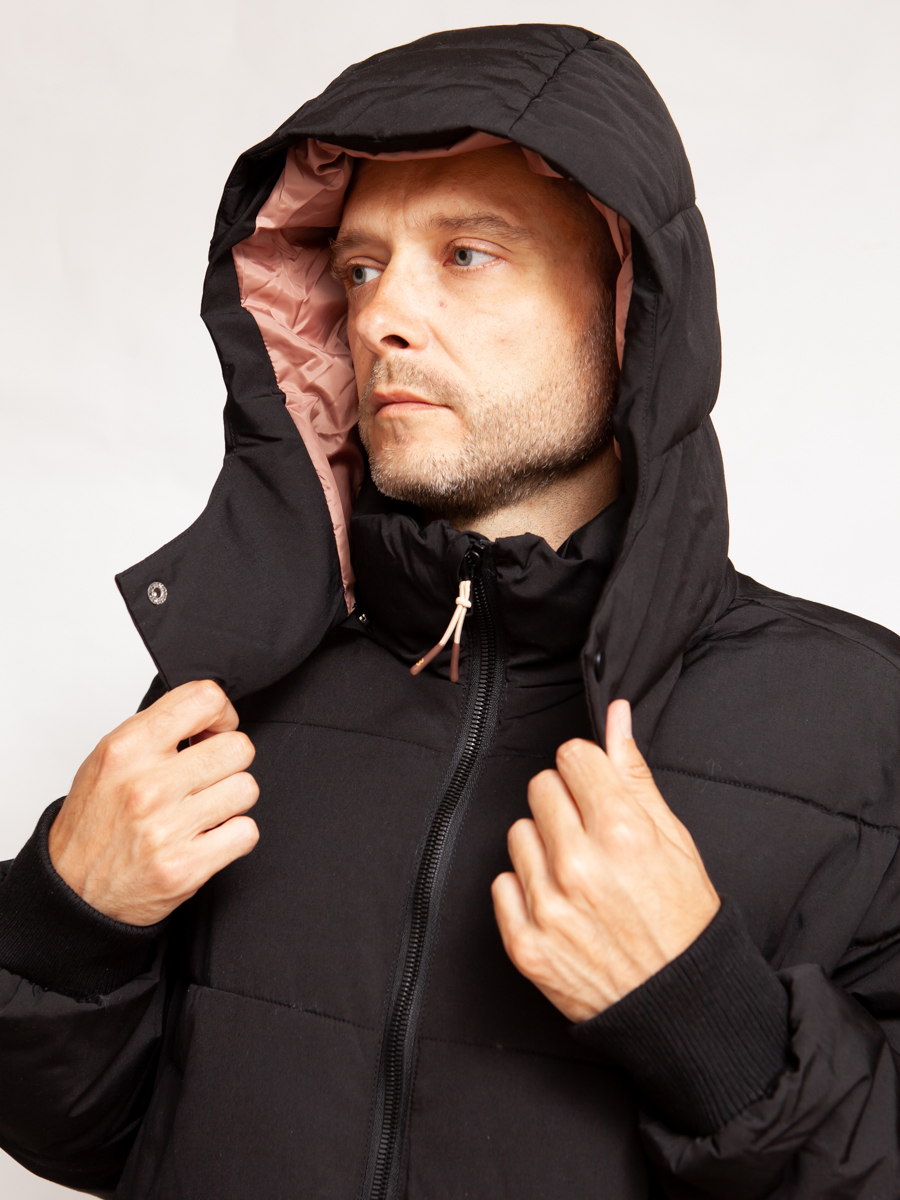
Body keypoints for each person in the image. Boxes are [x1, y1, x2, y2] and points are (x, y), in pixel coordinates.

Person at [1, 22, 899, 1200]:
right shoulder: (230, 684)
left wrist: (710, 1023)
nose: (380, 316)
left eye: (467, 254)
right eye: (359, 269)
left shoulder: (860, 724)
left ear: (627, 301)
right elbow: (97, 1139)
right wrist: (65, 927)